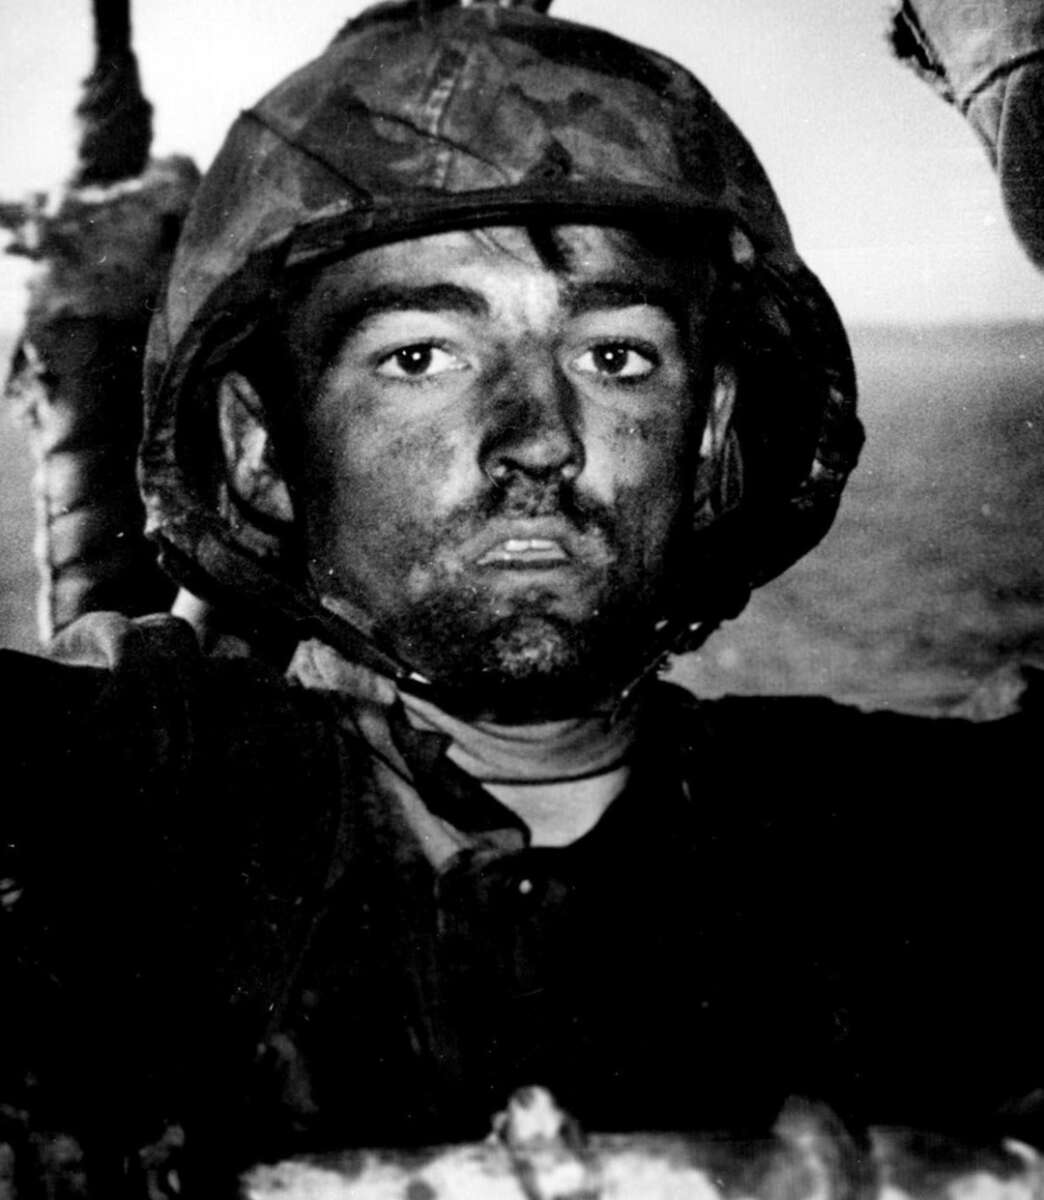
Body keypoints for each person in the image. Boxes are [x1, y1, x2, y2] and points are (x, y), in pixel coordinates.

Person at [1, 1, 1041, 1194]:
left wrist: (1009, 50)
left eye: (615, 357)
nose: (537, 440)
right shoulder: (109, 826)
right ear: (261, 450)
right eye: (420, 358)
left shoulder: (913, 865)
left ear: (709, 438)